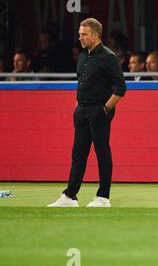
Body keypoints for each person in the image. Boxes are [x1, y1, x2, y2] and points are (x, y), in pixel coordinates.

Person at [48, 18, 126, 208]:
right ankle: (70, 196)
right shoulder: (83, 56)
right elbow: (82, 83)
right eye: (79, 34)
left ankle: (103, 197)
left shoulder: (108, 57)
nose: (80, 38)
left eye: (84, 34)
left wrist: (105, 109)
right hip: (82, 110)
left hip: (99, 109)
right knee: (78, 154)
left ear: (96, 35)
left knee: (102, 152)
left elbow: (121, 87)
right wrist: (77, 106)